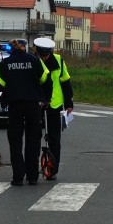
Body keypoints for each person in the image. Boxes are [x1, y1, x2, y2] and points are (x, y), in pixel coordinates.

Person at [0, 39, 51, 186]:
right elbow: (46, 79)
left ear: (12, 49)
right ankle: (32, 176)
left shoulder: (5, 63)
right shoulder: (35, 61)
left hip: (15, 106)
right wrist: (46, 98)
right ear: (24, 48)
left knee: (15, 141)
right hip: (33, 106)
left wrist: (12, 85)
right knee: (33, 140)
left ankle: (18, 176)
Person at [33, 38, 74, 181]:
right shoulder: (33, 61)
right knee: (35, 137)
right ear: (37, 52)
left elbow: (65, 82)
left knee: (55, 139)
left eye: (46, 55)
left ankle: (52, 169)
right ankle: (32, 169)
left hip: (55, 105)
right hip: (36, 105)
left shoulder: (59, 61)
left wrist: (69, 103)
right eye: (42, 55)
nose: (44, 58)